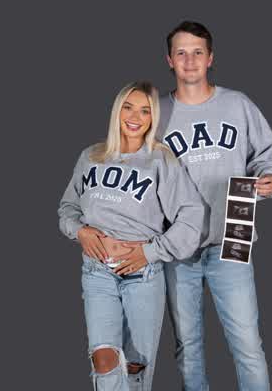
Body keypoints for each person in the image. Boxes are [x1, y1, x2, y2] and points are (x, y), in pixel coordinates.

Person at [158, 21, 272, 391]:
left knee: (247, 345)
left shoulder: (237, 104)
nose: (190, 60)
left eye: (197, 52)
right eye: (181, 52)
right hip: (178, 246)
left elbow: (265, 157)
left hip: (232, 237)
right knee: (188, 347)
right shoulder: (155, 113)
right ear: (169, 60)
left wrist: (271, 178)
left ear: (210, 58)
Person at [58, 81, 205, 391]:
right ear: (117, 111)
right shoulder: (91, 156)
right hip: (97, 272)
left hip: (143, 275)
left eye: (145, 111)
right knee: (103, 358)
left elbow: (192, 217)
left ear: (153, 118)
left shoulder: (161, 160)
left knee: (138, 367)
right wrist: (80, 231)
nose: (135, 117)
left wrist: (149, 252)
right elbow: (67, 208)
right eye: (128, 107)